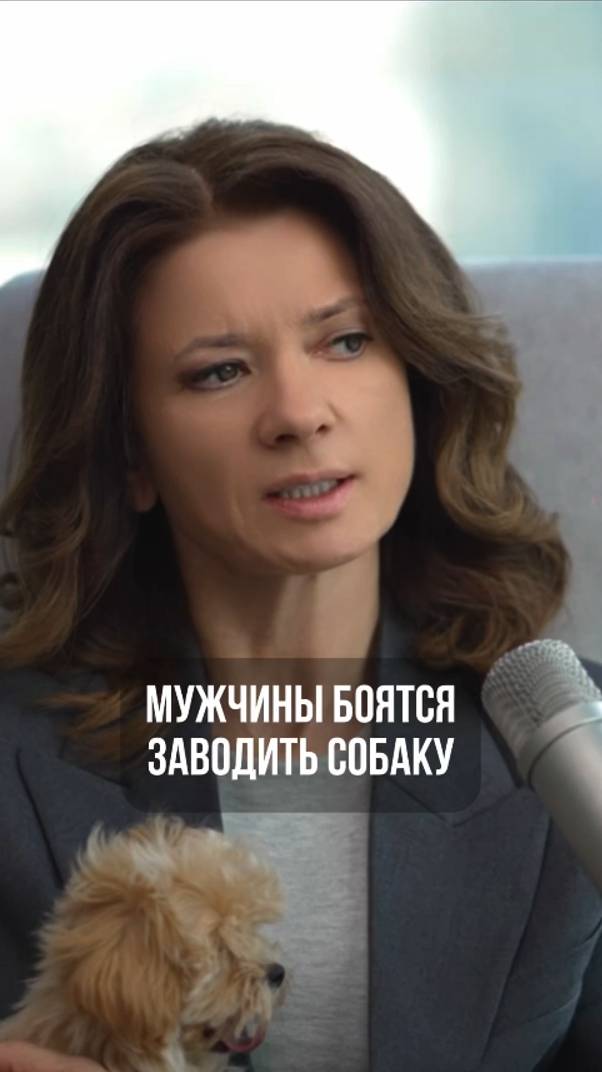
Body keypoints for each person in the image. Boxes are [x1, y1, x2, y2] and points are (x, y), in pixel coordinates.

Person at [0, 116, 600, 1072]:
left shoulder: (575, 751)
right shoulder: (17, 766)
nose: (296, 413)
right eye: (219, 372)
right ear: (129, 453)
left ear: (419, 381)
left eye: (347, 341)